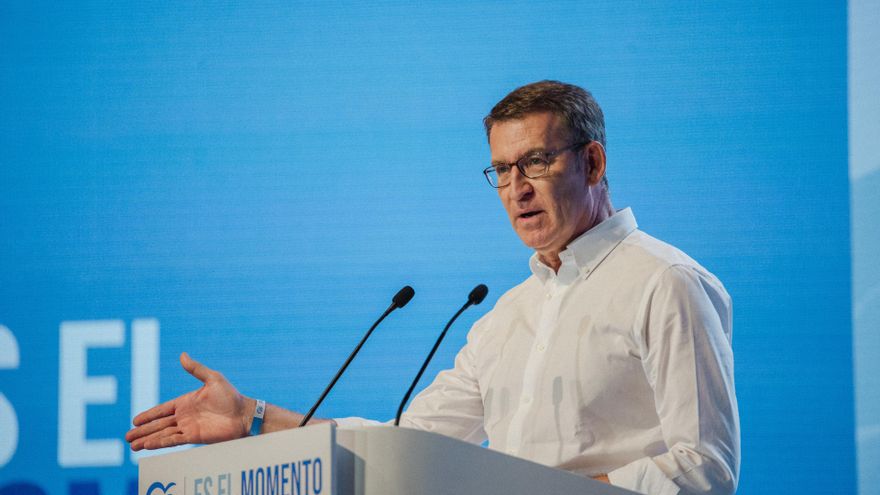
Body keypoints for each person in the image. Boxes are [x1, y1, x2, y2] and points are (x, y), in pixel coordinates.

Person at [126, 80, 739, 495]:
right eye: (501, 169)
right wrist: (253, 420)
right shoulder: (504, 319)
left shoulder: (666, 283)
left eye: (536, 162)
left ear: (594, 163)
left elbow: (704, 468)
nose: (516, 188)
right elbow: (404, 447)